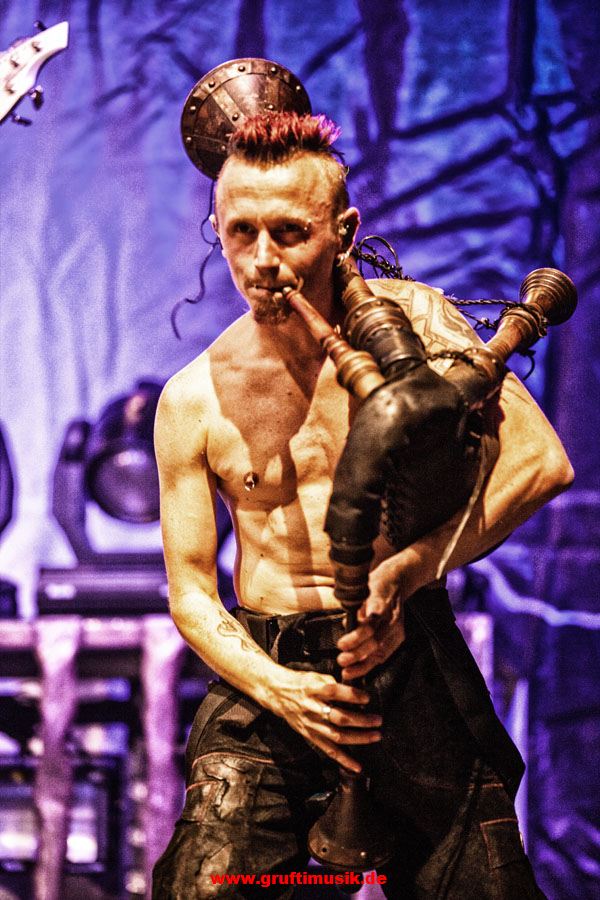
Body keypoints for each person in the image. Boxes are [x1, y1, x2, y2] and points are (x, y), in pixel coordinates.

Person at [152, 113, 573, 899]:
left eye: (290, 232)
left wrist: (411, 570)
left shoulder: (417, 323)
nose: (264, 260)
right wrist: (279, 689)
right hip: (268, 681)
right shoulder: (192, 396)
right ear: (217, 231)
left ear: (342, 232)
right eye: (242, 232)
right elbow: (192, 595)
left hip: (408, 658)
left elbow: (541, 463)